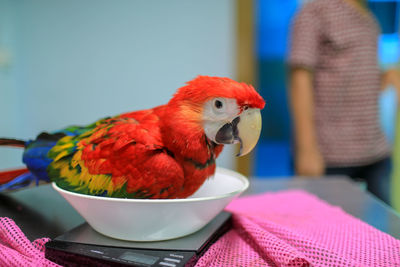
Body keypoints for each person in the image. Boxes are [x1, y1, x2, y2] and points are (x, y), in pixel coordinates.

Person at [288, 0, 400, 205]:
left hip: (375, 150)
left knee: (382, 230)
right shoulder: (315, 11)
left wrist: (387, 74)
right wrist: (306, 149)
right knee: (327, 231)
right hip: (331, 153)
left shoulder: (368, 16)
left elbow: (357, 71)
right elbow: (300, 77)